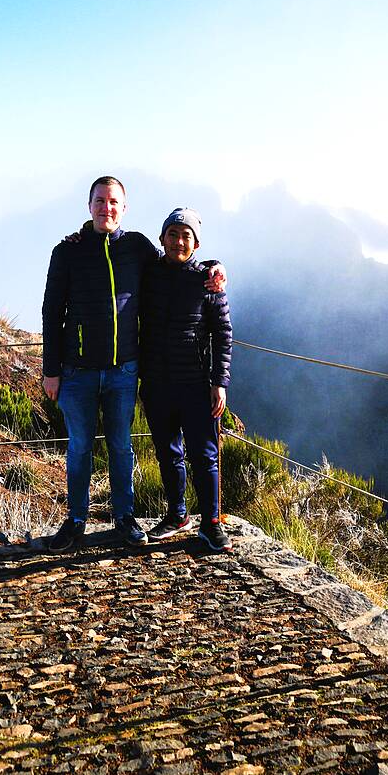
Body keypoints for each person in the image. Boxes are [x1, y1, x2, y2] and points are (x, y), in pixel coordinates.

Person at [41, 177, 223, 552]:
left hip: (124, 370)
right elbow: (51, 312)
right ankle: (76, 520)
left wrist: (213, 268)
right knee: (80, 448)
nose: (106, 208)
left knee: (122, 448)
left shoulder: (137, 247)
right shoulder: (67, 251)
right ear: (89, 205)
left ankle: (124, 518)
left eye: (113, 202)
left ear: (123, 208)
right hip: (77, 371)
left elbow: (177, 261)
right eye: (100, 201)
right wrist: (51, 370)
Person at [139, 208, 234, 552]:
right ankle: (177, 515)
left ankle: (212, 523)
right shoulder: (148, 272)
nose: (179, 242)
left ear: (196, 244)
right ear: (162, 238)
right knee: (168, 453)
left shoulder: (207, 281)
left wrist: (219, 382)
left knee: (204, 455)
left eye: (186, 236)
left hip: (196, 384)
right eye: (173, 234)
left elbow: (223, 334)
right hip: (156, 383)